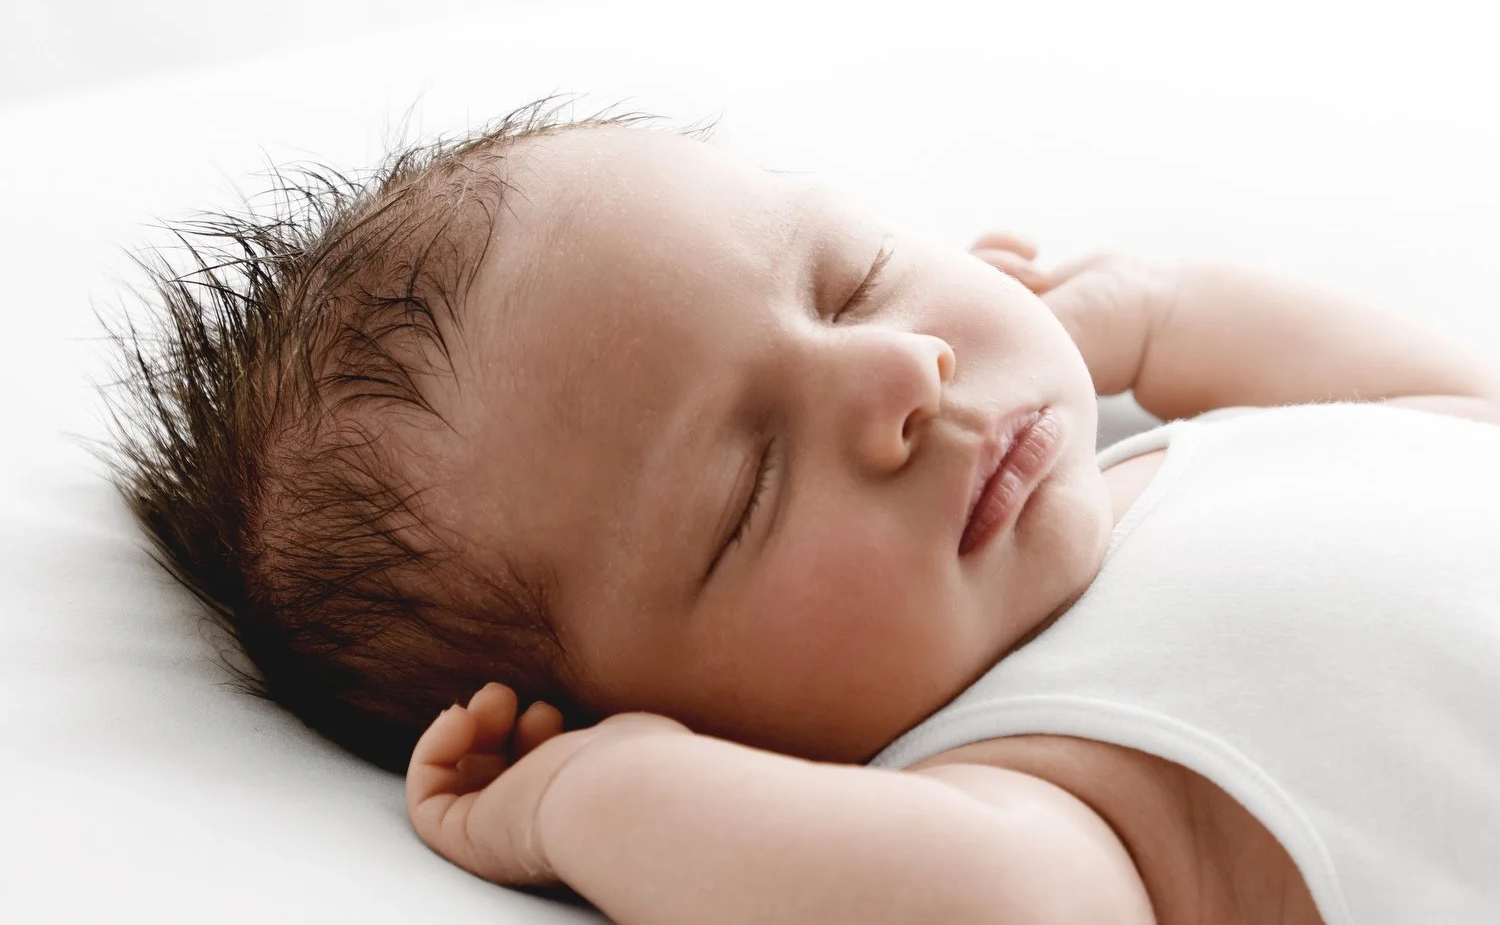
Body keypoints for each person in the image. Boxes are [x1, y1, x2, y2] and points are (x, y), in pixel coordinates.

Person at [102, 94, 1500, 924]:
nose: (901, 375)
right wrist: (592, 800)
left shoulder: (1179, 454)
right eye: (752, 485)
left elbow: (1460, 410)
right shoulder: (1031, 797)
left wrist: (1154, 314)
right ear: (668, 719)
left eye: (857, 281)